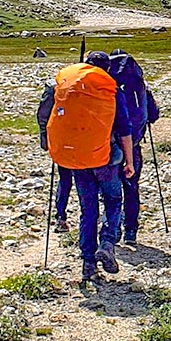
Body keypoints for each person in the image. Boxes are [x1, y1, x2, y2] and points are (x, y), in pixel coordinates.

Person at [40, 51, 134, 281]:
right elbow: (125, 129)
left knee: (88, 208)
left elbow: (47, 114)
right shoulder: (111, 90)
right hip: (106, 158)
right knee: (113, 200)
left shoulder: (66, 86)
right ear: (107, 70)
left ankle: (88, 262)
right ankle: (107, 243)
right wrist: (130, 161)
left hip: (77, 157)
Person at [108, 49, 160, 244]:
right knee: (131, 187)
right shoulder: (140, 86)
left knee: (110, 190)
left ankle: (113, 228)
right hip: (134, 145)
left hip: (110, 145)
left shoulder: (107, 85)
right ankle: (131, 230)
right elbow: (154, 115)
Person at [37, 81, 73, 231]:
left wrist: (45, 139)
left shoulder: (56, 87)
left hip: (64, 141)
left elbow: (43, 115)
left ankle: (61, 217)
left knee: (65, 179)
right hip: (79, 141)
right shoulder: (95, 85)